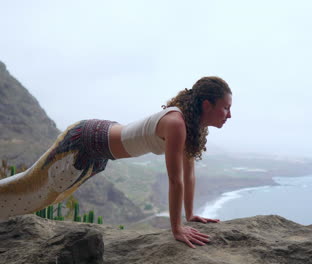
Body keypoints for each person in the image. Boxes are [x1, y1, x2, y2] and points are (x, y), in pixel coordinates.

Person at [0, 76, 232, 248]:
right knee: (31, 185)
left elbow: (188, 174)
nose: (229, 115)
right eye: (226, 108)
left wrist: (190, 215)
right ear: (206, 105)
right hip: (86, 140)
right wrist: (177, 228)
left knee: (45, 195)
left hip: (99, 151)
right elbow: (175, 179)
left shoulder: (191, 128)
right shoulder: (176, 123)